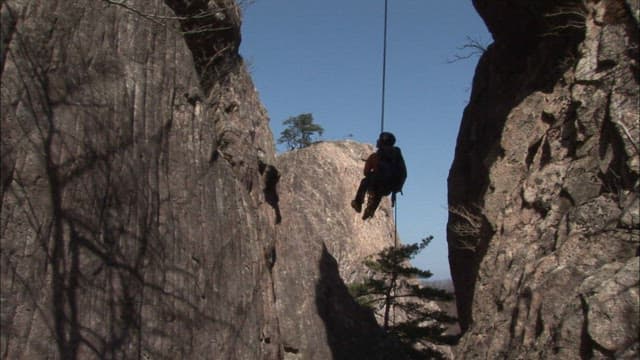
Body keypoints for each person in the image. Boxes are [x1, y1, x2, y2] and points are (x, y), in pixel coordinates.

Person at [351, 132, 407, 220]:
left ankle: (358, 202)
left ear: (382, 142)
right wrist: (396, 189)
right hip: (389, 187)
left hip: (376, 182)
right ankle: (371, 209)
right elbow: (404, 173)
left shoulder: (376, 156)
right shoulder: (397, 156)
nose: (377, 141)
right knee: (379, 193)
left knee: (365, 182)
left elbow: (366, 172)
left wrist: (372, 174)